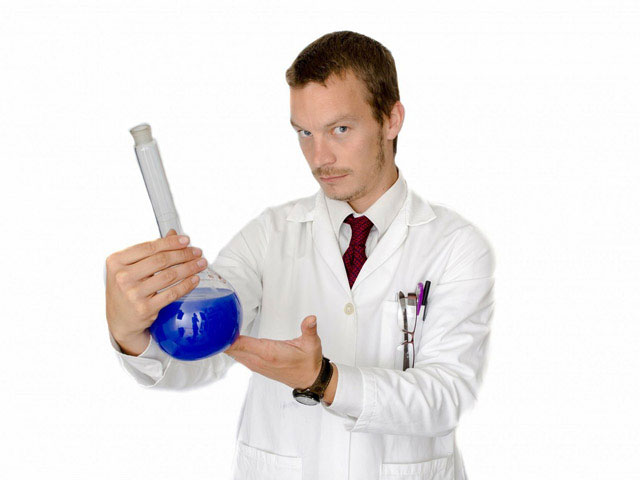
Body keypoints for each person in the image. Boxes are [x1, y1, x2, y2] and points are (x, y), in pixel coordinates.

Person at [105, 30, 496, 480]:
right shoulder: (269, 235)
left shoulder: (456, 245)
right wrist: (131, 334)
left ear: (391, 120)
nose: (319, 156)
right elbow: (198, 352)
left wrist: (324, 380)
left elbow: (447, 396)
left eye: (340, 129)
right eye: (304, 133)